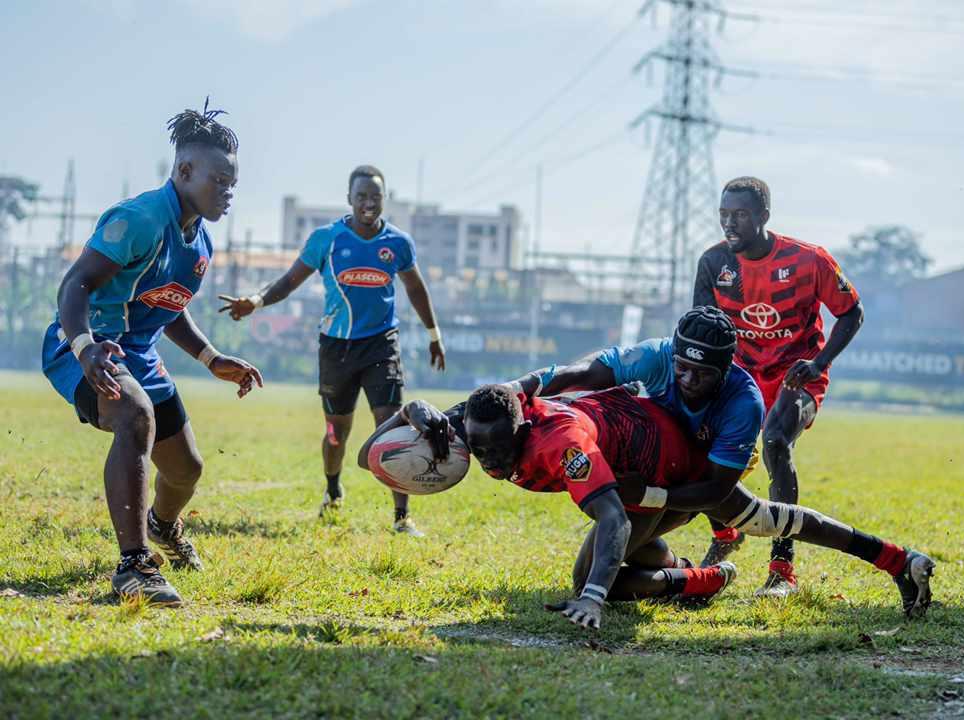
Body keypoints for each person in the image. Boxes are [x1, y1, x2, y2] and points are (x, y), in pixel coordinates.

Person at [504, 306, 934, 623]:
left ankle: (896, 560)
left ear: (725, 368)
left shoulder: (742, 403)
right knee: (753, 521)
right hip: (657, 468)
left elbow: (712, 491)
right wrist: (526, 385)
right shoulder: (658, 356)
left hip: (687, 480)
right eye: (683, 368)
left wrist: (650, 495)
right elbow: (588, 371)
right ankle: (699, 576)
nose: (688, 381)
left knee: (760, 520)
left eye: (702, 374)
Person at [41, 101, 263, 605]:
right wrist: (84, 348)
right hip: (83, 344)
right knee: (135, 416)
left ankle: (162, 526)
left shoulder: (199, 242)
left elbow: (170, 306)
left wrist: (212, 358)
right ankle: (134, 565)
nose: (228, 192)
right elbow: (76, 284)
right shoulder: (139, 218)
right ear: (184, 171)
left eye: (233, 184)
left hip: (138, 354)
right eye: (220, 181)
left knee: (186, 469)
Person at [360, 384, 742, 630]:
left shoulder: (560, 443)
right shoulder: (472, 424)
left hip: (664, 473)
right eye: (480, 450)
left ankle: (698, 584)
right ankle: (689, 573)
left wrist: (593, 598)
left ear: (522, 433)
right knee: (624, 550)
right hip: (631, 475)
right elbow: (366, 459)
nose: (489, 461)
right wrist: (406, 411)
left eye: (498, 450)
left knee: (588, 579)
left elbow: (615, 518)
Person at [219, 165, 445, 535]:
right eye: (361, 197)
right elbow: (290, 280)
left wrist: (434, 334)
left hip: (381, 345)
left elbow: (416, 289)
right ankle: (333, 488)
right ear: (350, 200)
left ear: (383, 200)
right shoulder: (327, 239)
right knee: (337, 432)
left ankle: (402, 517)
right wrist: (256, 301)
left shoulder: (398, 244)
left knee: (393, 425)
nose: (368, 203)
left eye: (375, 196)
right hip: (336, 349)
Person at [692, 176, 865, 597]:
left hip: (797, 375)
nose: (730, 224)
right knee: (695, 444)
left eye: (741, 215)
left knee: (774, 443)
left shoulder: (810, 260)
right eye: (724, 215)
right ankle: (727, 531)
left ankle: (781, 570)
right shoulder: (713, 264)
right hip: (742, 376)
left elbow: (852, 312)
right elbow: (701, 329)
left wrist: (819, 362)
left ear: (764, 216)